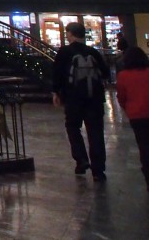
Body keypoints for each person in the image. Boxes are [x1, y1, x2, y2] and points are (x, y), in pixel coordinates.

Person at [52, 21, 109, 182]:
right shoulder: (93, 52)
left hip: (73, 98)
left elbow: (57, 74)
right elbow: (105, 73)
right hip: (95, 99)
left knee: (72, 127)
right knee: (96, 132)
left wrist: (56, 92)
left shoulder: (64, 52)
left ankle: (81, 159)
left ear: (70, 33)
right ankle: (98, 170)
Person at [116, 46, 149, 191]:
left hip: (137, 115)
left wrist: (126, 107)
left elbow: (121, 96)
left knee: (144, 147)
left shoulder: (123, 75)